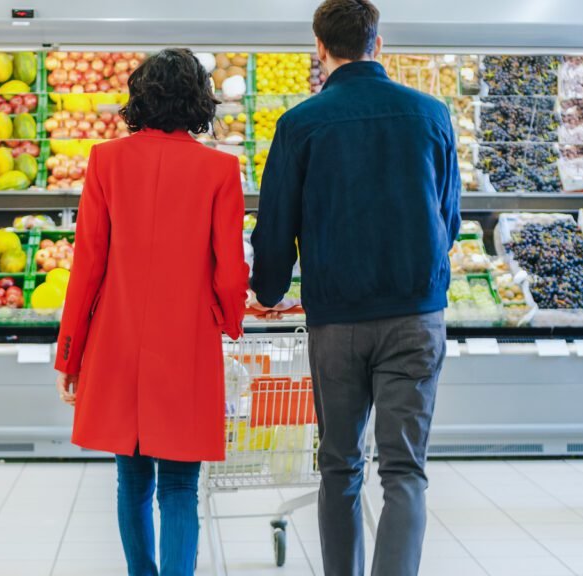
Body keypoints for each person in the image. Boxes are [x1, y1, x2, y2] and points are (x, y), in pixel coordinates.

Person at [249, 0, 461, 573]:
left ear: (319, 48)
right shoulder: (431, 114)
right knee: (404, 471)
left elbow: (275, 226)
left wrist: (267, 292)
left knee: (339, 467)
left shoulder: (299, 124)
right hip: (415, 316)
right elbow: (450, 220)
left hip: (336, 322)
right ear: (379, 44)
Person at [54, 48, 250, 575]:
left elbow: (86, 268)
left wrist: (69, 355)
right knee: (181, 486)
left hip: (115, 344)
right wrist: (230, 321)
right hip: (186, 343)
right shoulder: (220, 170)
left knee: (132, 479)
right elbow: (231, 272)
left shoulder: (105, 161)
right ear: (198, 102)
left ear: (139, 98)